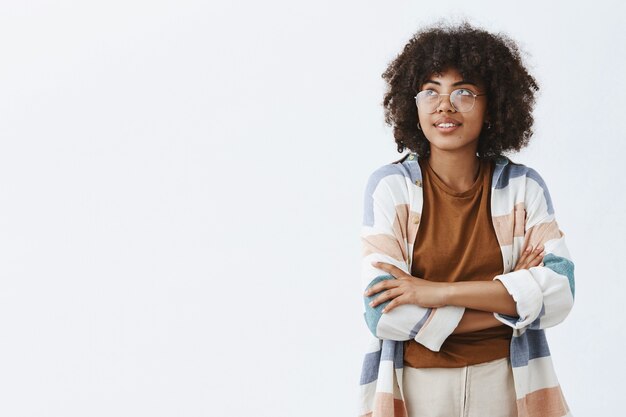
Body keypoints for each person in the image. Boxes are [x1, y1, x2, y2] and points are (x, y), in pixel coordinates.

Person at [357, 22, 575, 417]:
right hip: (417, 387)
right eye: (430, 91)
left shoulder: (523, 187)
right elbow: (381, 313)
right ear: (414, 104)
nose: (445, 105)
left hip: (507, 383)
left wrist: (434, 292)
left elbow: (559, 291)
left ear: (493, 104)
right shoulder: (391, 187)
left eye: (464, 92)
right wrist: (512, 304)